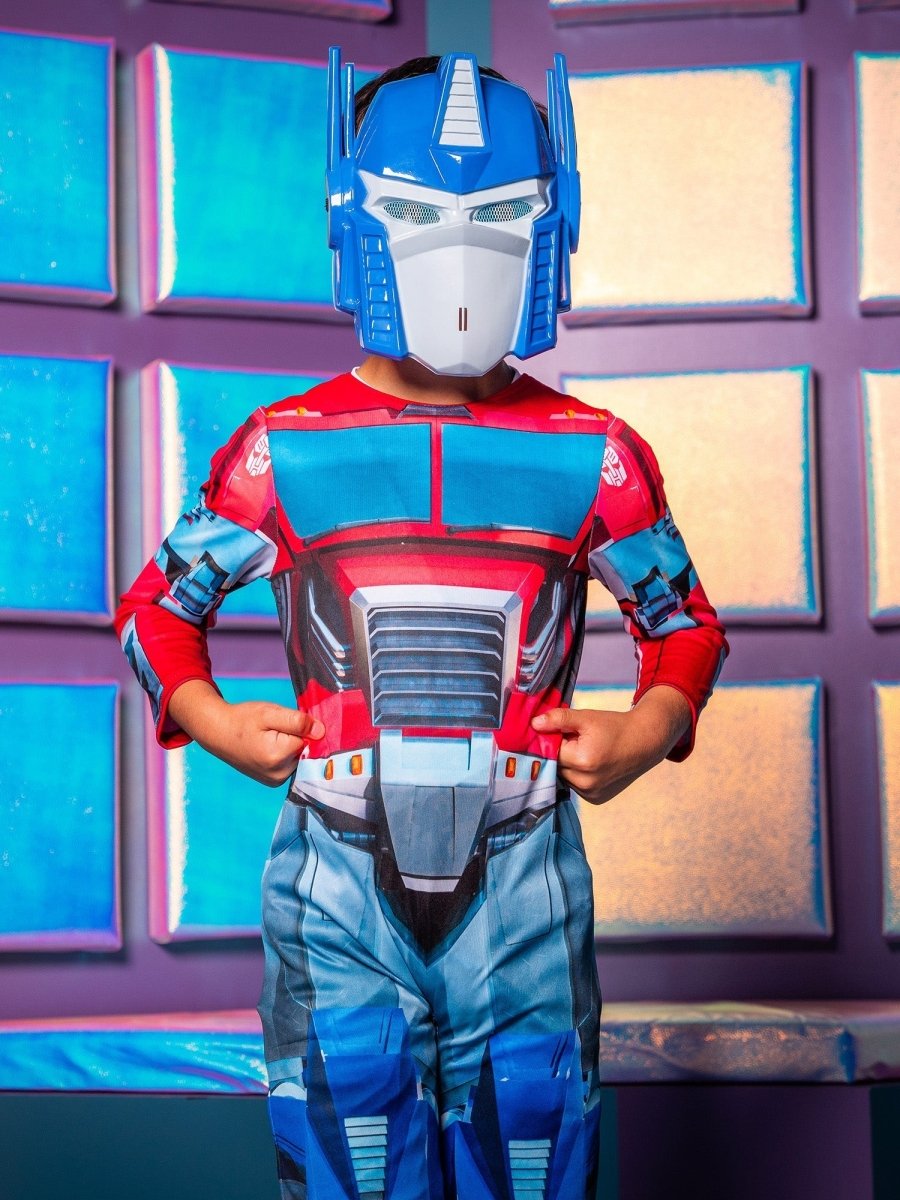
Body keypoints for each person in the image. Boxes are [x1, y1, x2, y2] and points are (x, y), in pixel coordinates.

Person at [116, 48, 727, 1200]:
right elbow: (157, 610)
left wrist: (643, 733)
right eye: (417, 211)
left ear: (549, 222)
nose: (461, 250)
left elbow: (684, 624)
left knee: (532, 1133)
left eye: (498, 214)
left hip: (524, 877)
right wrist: (215, 722)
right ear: (356, 215)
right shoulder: (284, 451)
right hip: (338, 880)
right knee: (352, 1138)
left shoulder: (594, 454)